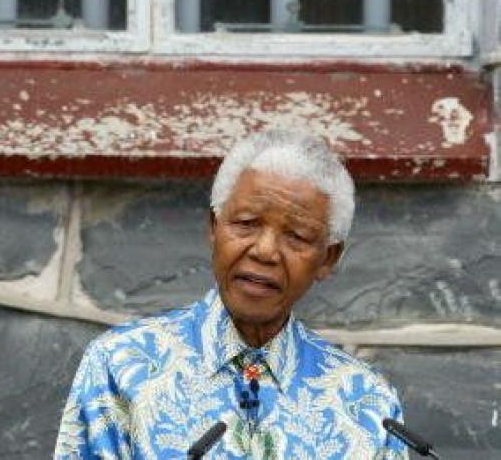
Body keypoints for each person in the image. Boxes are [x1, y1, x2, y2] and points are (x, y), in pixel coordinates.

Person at [54, 128, 407, 459]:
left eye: (296, 236)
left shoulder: (368, 402)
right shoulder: (121, 364)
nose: (265, 251)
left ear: (327, 258)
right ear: (214, 227)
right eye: (247, 223)